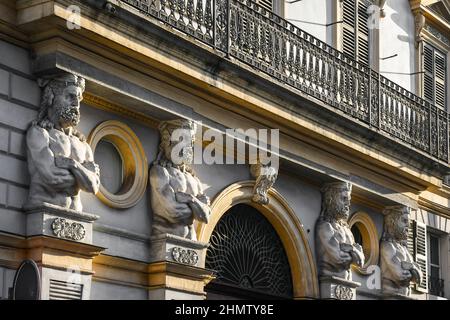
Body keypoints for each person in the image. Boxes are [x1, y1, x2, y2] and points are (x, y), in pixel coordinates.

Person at [25, 73, 100, 212]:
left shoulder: (83, 145)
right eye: (70, 96)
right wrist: (83, 178)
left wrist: (73, 165)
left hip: (77, 218)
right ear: (51, 97)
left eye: (78, 98)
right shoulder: (40, 134)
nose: (76, 104)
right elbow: (52, 178)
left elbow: (94, 186)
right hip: (43, 214)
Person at [150, 119, 210, 241]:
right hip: (165, 241)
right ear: (167, 143)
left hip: (192, 241)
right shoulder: (160, 172)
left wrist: (190, 199)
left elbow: (205, 217)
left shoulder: (194, 179)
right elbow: (174, 212)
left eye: (189, 143)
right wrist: (197, 206)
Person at [315, 182, 364, 280]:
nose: (348, 204)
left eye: (349, 200)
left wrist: (351, 249)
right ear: (330, 200)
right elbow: (338, 258)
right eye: (344, 199)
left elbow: (361, 262)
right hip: (329, 281)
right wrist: (355, 252)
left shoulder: (347, 230)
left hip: (347, 283)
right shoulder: (325, 227)